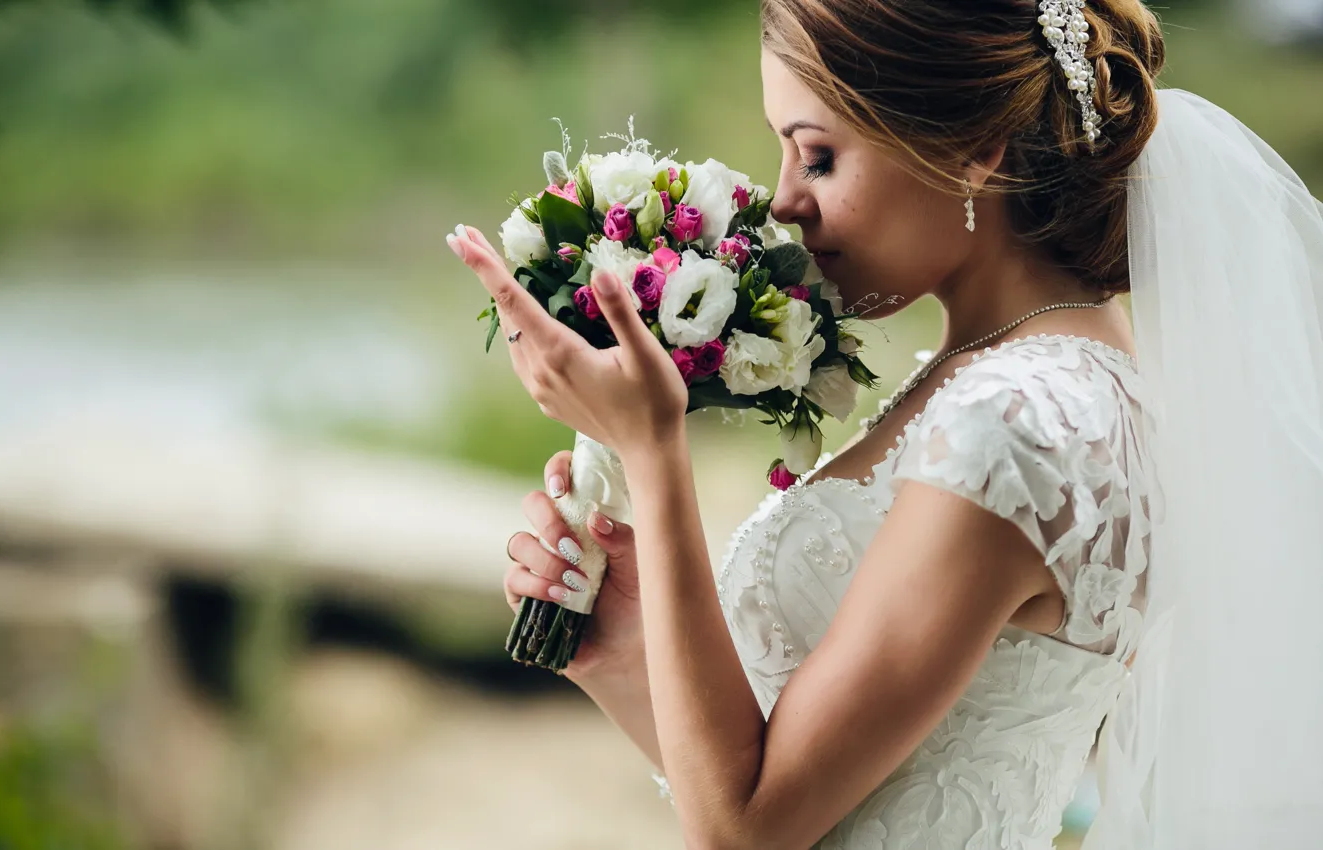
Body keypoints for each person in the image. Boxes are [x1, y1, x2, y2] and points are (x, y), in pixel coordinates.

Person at [446, 0, 1323, 846]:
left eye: (818, 156)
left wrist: (654, 451)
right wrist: (630, 654)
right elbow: (802, 794)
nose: (786, 202)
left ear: (976, 149)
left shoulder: (1018, 424)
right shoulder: (1045, 386)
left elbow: (746, 832)